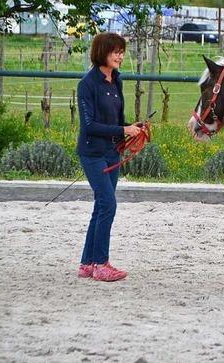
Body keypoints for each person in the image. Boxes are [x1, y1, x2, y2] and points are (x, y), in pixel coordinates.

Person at [76, 32, 141, 282]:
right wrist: (123, 130)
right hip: (92, 152)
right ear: (102, 52)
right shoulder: (87, 84)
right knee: (108, 204)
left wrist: (131, 127)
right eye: (116, 51)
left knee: (101, 207)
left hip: (112, 152)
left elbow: (114, 120)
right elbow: (89, 125)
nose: (120, 56)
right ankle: (101, 264)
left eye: (122, 51)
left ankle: (87, 263)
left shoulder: (117, 81)